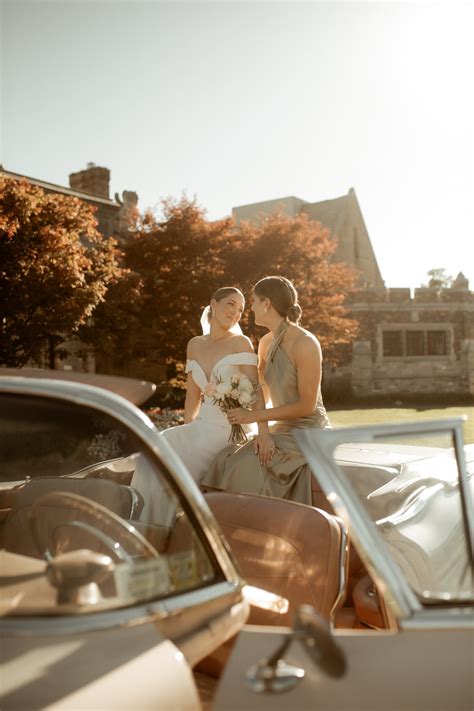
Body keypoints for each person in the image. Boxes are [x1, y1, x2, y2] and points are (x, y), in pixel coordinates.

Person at [130, 286, 274, 523]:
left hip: (230, 428)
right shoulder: (194, 344)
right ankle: (148, 528)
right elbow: (192, 396)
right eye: (231, 304)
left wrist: (264, 433)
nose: (236, 313)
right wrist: (188, 430)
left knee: (169, 462)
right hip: (203, 426)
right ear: (213, 304)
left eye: (241, 309)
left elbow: (256, 391)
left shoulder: (241, 343)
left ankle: (163, 527)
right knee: (154, 449)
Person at [201, 276, 331, 505]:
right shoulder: (265, 342)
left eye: (253, 301)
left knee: (246, 464)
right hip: (281, 427)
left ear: (267, 303)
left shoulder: (306, 343)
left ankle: (254, 523)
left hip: (308, 431)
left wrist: (254, 416)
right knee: (224, 458)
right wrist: (233, 402)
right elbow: (260, 389)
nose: (250, 307)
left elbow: (306, 406)